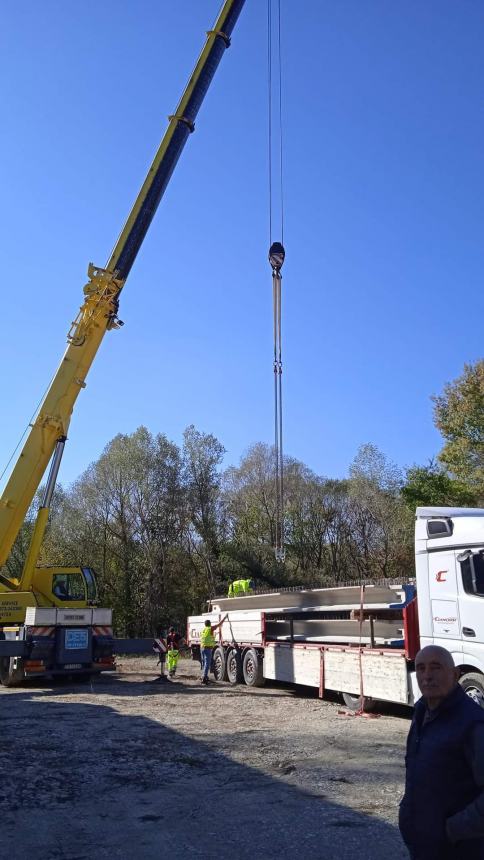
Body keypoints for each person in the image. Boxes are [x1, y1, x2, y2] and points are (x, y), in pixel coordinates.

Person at [399, 645, 484, 860]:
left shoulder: (474, 723)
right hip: (423, 841)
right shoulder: (421, 711)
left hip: (459, 849)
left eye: (436, 668)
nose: (427, 676)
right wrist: (407, 814)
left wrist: (452, 830)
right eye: (420, 668)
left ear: (455, 675)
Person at [200, 616, 227, 685]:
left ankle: (203, 676)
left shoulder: (204, 630)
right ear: (210, 624)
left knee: (204, 663)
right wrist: (224, 618)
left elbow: (208, 637)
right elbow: (218, 625)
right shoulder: (210, 628)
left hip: (202, 648)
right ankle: (204, 677)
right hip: (207, 648)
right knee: (207, 663)